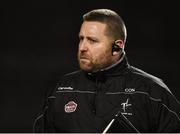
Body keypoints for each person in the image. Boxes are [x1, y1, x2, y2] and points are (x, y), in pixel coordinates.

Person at [33, 9, 180, 133]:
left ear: (117, 47)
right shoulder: (58, 91)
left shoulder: (153, 93)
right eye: (81, 39)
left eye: (92, 40)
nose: (82, 47)